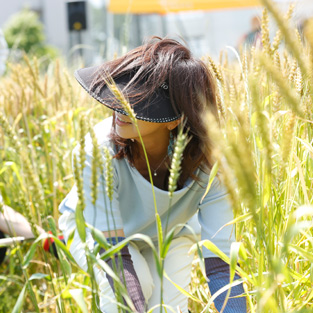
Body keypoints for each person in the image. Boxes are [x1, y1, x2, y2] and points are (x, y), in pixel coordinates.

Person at [58, 37, 246, 313]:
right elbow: (113, 254)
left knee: (168, 309)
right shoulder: (96, 151)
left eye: (138, 103)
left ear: (174, 120)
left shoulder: (212, 165)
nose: (119, 109)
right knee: (137, 290)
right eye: (122, 95)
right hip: (97, 234)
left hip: (171, 234)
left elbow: (221, 264)